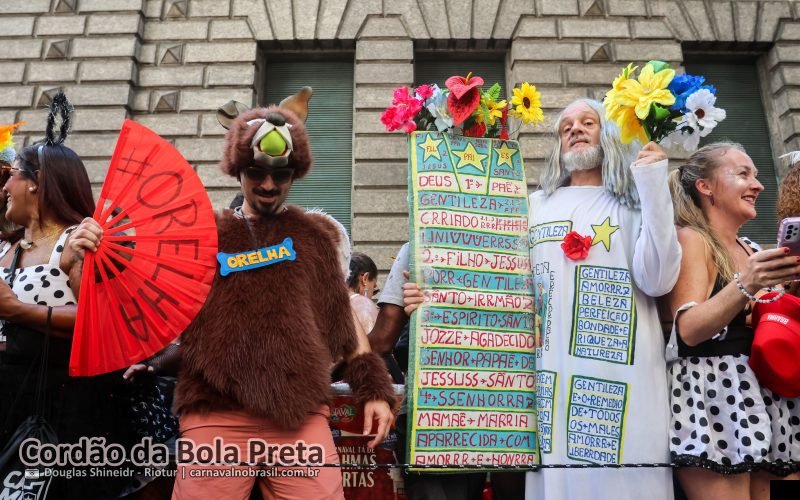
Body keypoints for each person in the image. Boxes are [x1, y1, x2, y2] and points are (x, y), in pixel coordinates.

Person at [72, 88, 396, 500]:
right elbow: (129, 308)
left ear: (293, 175)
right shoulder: (202, 237)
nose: (267, 184)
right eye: (255, 172)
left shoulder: (314, 238)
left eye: (280, 174)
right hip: (216, 413)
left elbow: (343, 326)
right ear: (238, 170)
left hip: (298, 416)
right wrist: (85, 264)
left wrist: (375, 391)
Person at [406, 98, 681, 499]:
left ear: (609, 136)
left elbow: (658, 280)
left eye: (589, 121)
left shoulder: (634, 203)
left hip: (625, 376)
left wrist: (654, 182)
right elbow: (489, 279)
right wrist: (434, 298)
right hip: (547, 378)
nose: (575, 129)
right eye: (566, 125)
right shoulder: (531, 207)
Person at [0, 95, 139, 499]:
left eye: (13, 175)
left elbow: (99, 322)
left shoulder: (76, 244)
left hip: (61, 408)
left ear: (37, 182)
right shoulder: (4, 247)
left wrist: (18, 310)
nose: (5, 184)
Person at [664, 142, 800, 499]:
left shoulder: (752, 249)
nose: (758, 185)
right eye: (743, 174)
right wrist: (748, 282)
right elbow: (688, 330)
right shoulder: (691, 239)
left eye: (756, 175)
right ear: (705, 186)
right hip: (716, 399)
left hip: (770, 394)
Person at [348, 251, 379, 333]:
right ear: (365, 278)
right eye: (373, 287)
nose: (371, 296)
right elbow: (373, 345)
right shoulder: (364, 305)